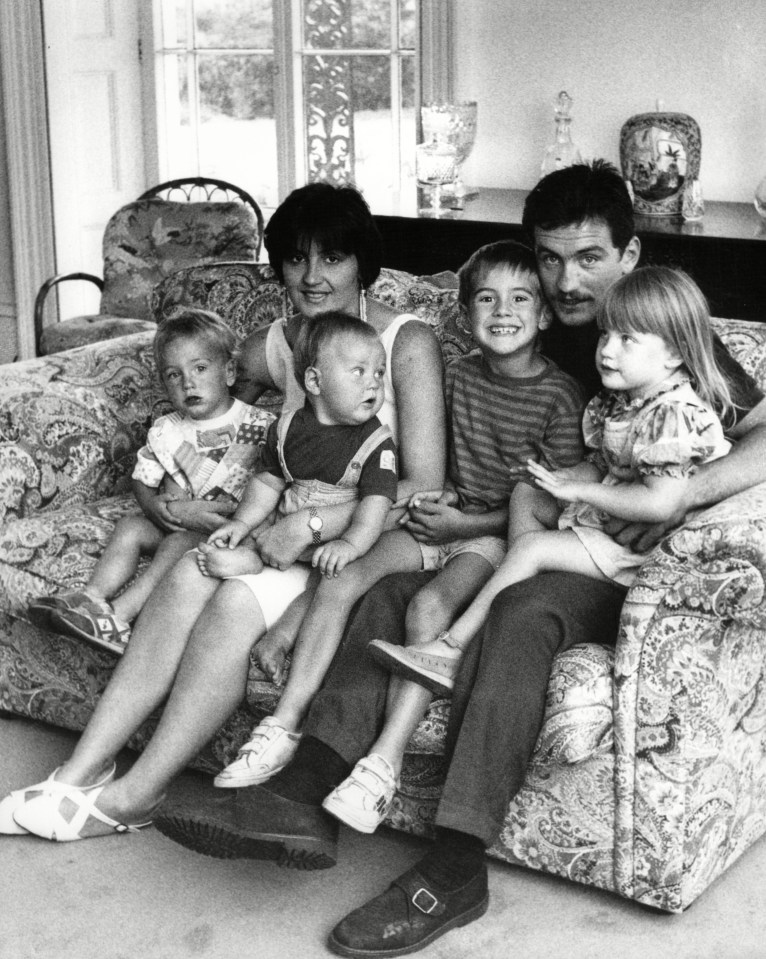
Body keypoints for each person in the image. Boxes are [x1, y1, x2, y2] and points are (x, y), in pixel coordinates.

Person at [149, 161, 766, 958]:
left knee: (519, 612)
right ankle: (302, 790)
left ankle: (456, 862)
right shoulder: (529, 323)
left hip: (605, 557)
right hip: (510, 532)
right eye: (549, 258)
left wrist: (688, 493)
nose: (566, 280)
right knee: (388, 593)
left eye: (587, 257)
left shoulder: (659, 332)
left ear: (631, 254)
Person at [0, 181, 446, 844]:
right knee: (188, 571)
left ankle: (133, 793)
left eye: (331, 258)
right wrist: (204, 459)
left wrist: (313, 522)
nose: (312, 276)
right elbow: (211, 373)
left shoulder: (405, 343)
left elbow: (426, 484)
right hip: (282, 524)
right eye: (295, 260)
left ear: (363, 263)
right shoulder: (290, 339)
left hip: (358, 539)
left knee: (233, 599)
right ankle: (80, 771)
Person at [291, 239, 583, 834]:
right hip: (444, 519)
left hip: (500, 538)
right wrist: (443, 496)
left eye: (521, 299)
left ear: (544, 314)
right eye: (486, 299)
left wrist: (469, 522)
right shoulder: (457, 376)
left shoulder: (559, 396)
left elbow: (558, 510)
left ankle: (383, 764)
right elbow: (436, 462)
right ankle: (285, 728)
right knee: (349, 574)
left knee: (427, 603)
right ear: (464, 314)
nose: (502, 312)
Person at [369, 265, 732, 697]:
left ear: (673, 355)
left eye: (627, 340)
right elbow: (603, 462)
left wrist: (578, 490)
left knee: (532, 546)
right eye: (605, 335)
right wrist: (561, 477)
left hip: (647, 548)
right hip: (617, 518)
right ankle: (517, 584)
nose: (607, 351)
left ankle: (451, 647)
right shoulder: (626, 402)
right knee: (527, 493)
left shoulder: (672, 413)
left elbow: (659, 505)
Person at [205, 310, 399, 786]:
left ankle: (279, 636)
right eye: (358, 372)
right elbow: (267, 484)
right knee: (270, 536)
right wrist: (242, 522)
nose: (373, 383)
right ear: (313, 380)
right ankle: (248, 555)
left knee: (324, 586)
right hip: (290, 525)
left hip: (338, 540)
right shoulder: (286, 428)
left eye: (378, 372)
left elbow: (376, 505)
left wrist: (353, 543)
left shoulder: (378, 443)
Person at [26, 309, 269, 656]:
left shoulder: (260, 425)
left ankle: (118, 618)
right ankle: (91, 597)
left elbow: (272, 485)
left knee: (175, 546)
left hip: (225, 532)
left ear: (229, 371)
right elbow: (143, 479)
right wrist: (153, 507)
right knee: (129, 527)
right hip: (176, 520)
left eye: (200, 369)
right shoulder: (167, 430)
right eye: (174, 375)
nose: (188, 383)